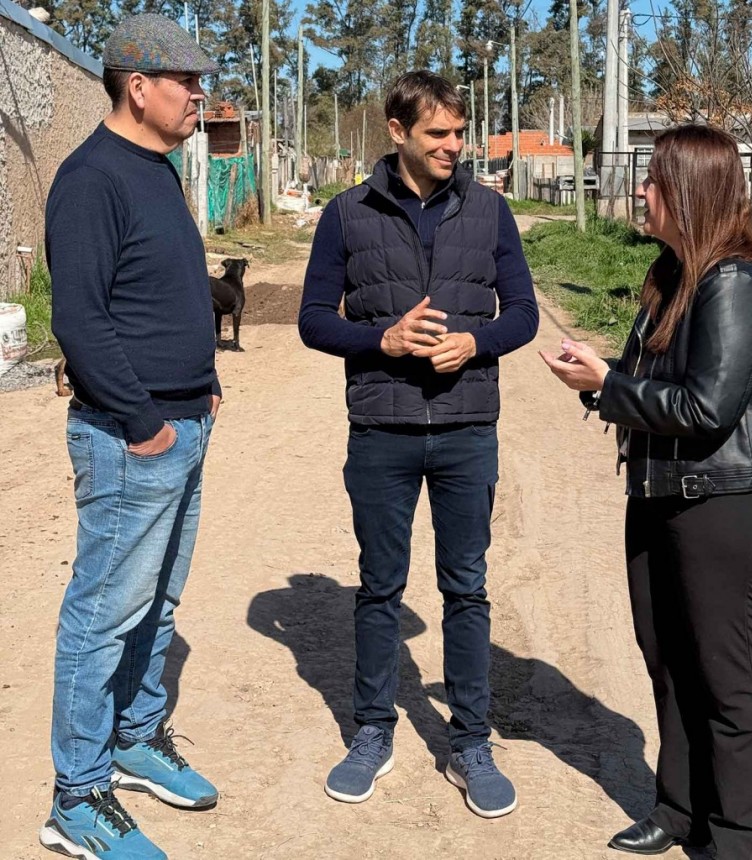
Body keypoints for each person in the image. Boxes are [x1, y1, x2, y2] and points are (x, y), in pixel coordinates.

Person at [540, 125, 752, 859]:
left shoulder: (733, 284)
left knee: (728, 680)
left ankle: (745, 842)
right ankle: (681, 809)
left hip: (726, 503)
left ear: (689, 191)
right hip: (662, 493)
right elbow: (649, 386)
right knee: (668, 658)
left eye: (654, 180)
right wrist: (600, 385)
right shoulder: (672, 276)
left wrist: (608, 385)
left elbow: (706, 410)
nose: (641, 190)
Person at [299, 70, 539, 819]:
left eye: (459, 134)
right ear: (397, 132)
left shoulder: (490, 210)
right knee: (380, 587)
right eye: (438, 134)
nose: (453, 147)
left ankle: (470, 742)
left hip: (468, 429)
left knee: (466, 586)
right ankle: (373, 730)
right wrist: (384, 340)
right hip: (382, 429)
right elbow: (312, 318)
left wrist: (475, 341)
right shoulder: (346, 213)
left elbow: (525, 313)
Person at [41, 14, 222, 860]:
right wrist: (145, 424)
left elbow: (163, 291)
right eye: (187, 82)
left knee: (159, 600)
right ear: (137, 86)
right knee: (102, 615)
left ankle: (136, 738)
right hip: (129, 436)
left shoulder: (160, 170)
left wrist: (205, 385)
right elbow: (79, 319)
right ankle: (76, 798)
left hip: (183, 421)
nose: (200, 96)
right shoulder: (91, 179)